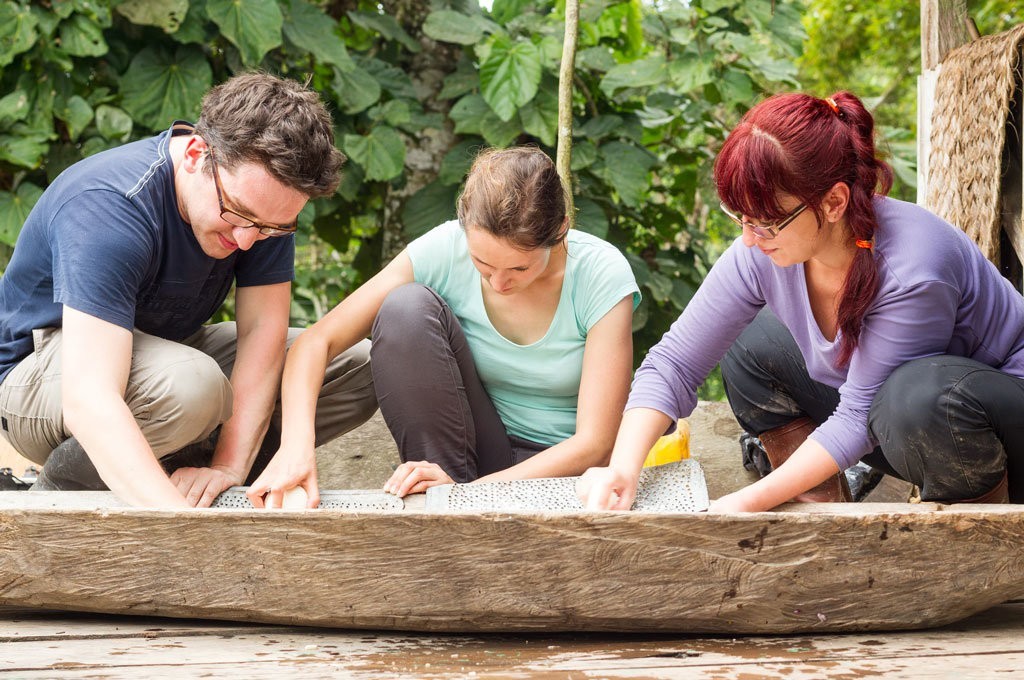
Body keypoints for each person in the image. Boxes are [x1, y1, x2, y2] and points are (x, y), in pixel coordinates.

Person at [578, 91, 1024, 512]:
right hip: (896, 429)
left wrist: (739, 504)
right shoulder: (765, 249)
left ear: (833, 202)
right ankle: (821, 517)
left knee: (916, 397)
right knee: (753, 346)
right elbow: (674, 362)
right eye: (740, 218)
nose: (749, 240)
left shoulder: (914, 269)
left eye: (767, 223)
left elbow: (857, 417)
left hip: (989, 432)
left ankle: (981, 545)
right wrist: (622, 469)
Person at [0, 73, 377, 508]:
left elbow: (262, 336)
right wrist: (186, 532)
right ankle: (63, 490)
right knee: (192, 386)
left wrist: (228, 468)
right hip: (40, 377)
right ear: (198, 153)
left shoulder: (260, 208)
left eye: (274, 227)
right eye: (238, 214)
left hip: (162, 360)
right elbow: (90, 395)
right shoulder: (111, 204)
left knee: (354, 364)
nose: (247, 240)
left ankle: (188, 477)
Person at [250, 146, 640, 508]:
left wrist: (468, 495)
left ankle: (449, 505)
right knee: (405, 308)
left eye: (519, 268)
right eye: (482, 264)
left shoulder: (600, 274)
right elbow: (315, 342)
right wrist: (295, 447)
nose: (498, 283)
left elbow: (597, 444)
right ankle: (437, 506)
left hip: (565, 474)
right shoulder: (444, 248)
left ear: (561, 232)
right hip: (473, 454)